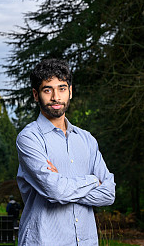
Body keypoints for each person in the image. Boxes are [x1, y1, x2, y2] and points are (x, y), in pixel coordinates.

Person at [16, 58, 115, 245]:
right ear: (36, 95)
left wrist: (63, 187)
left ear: (70, 91)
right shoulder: (29, 138)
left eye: (62, 88)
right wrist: (93, 181)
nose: (55, 97)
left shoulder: (87, 140)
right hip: (44, 240)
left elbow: (109, 194)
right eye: (47, 90)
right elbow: (55, 191)